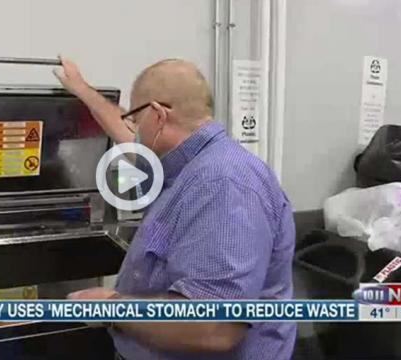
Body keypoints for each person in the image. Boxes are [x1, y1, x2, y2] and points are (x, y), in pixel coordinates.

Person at [54, 57, 296, 360]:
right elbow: (127, 135)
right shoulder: (186, 165)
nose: (133, 129)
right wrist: (82, 89)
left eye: (135, 119)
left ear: (157, 115)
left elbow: (215, 326)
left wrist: (110, 305)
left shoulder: (224, 184)